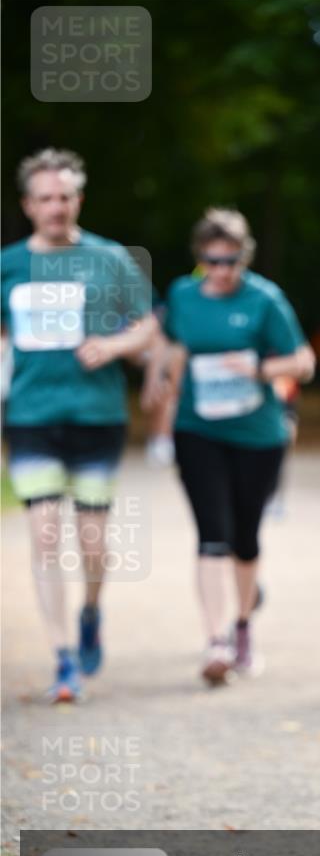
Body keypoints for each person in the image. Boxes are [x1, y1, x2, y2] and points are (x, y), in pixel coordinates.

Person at [1, 148, 156, 702]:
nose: (55, 207)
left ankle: (91, 610)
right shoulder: (8, 265)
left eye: (64, 197)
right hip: (31, 416)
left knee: (93, 543)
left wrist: (113, 344)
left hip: (96, 415)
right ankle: (62, 658)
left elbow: (148, 327)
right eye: (44, 198)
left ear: (78, 200)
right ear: (28, 205)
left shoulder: (110, 259)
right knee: (44, 533)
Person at [156, 208, 314, 684]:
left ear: (244, 257)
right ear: (199, 258)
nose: (222, 271)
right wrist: (161, 398)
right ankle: (214, 641)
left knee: (245, 538)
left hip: (257, 435)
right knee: (211, 535)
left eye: (231, 261)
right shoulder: (183, 296)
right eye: (212, 261)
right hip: (198, 430)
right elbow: (170, 347)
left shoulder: (265, 300)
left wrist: (261, 371)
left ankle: (242, 627)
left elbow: (302, 362)